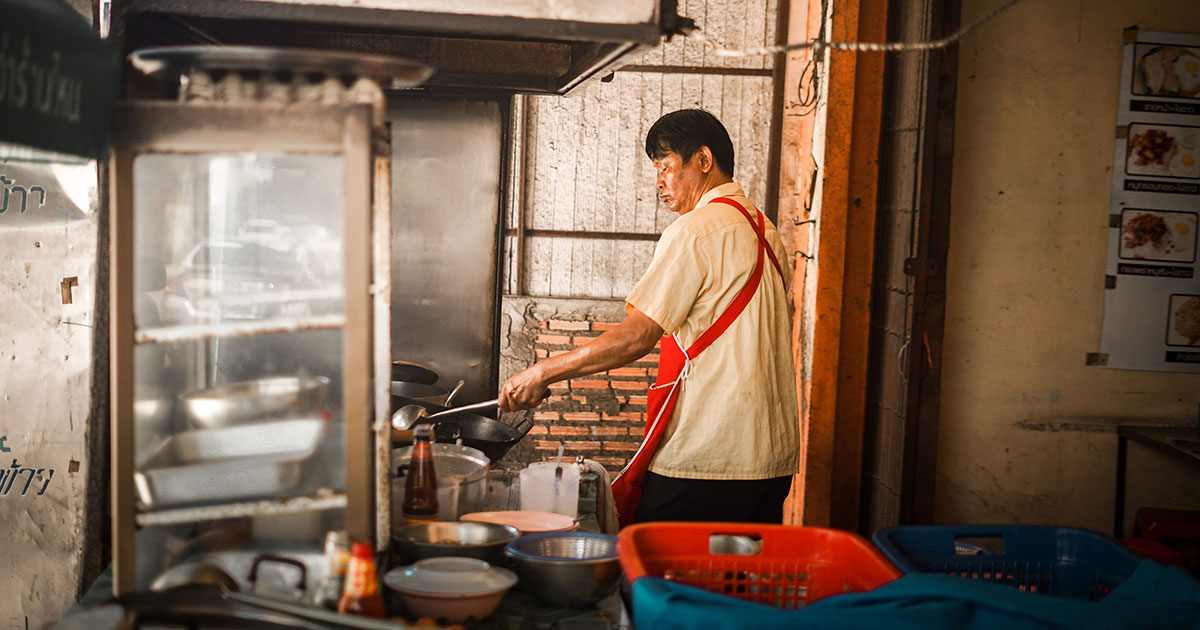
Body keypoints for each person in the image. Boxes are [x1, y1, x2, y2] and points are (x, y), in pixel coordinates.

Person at [499, 109, 799, 524]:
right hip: (771, 460)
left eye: (666, 166)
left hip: (710, 456)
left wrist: (541, 372)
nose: (659, 182)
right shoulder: (767, 232)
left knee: (656, 573)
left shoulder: (695, 230)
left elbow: (636, 337)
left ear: (704, 160)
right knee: (732, 582)